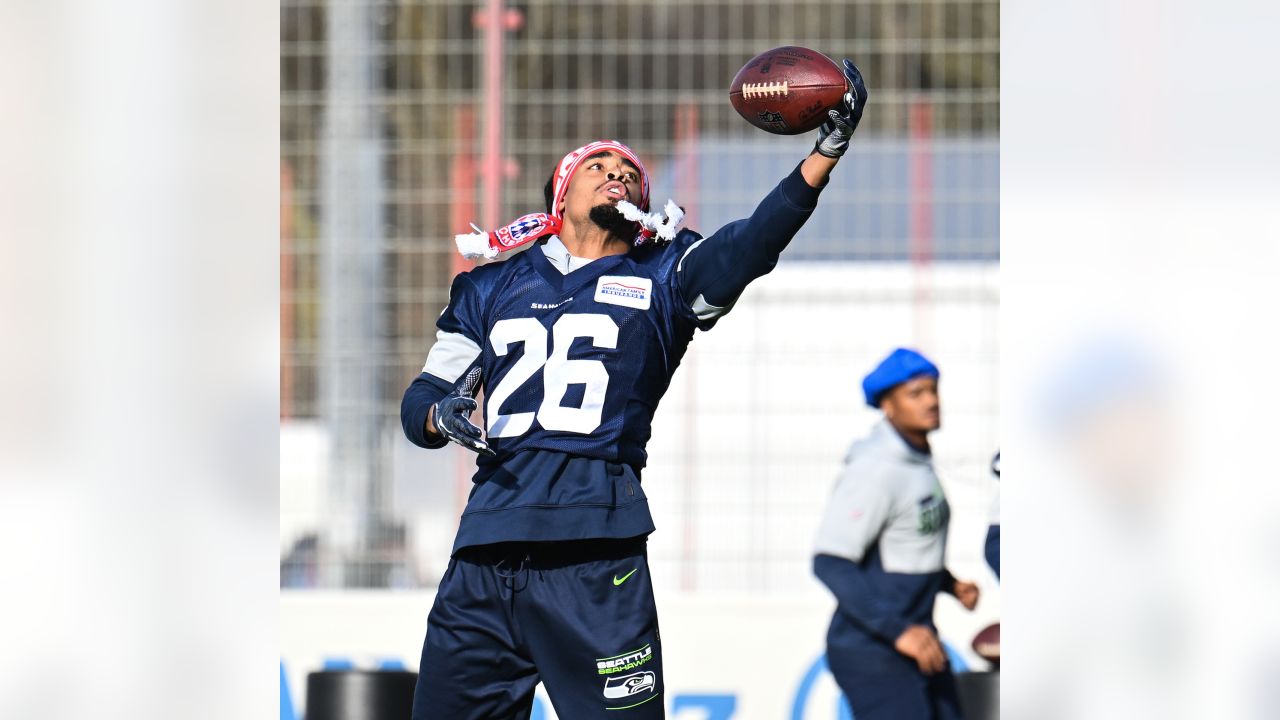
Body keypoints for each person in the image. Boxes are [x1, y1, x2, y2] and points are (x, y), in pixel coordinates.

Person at [400, 60, 868, 720]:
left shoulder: (665, 275)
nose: (618, 172)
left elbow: (751, 245)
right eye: (599, 165)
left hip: (597, 554)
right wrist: (441, 415)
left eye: (630, 172)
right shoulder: (489, 287)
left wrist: (825, 153)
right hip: (486, 551)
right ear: (559, 196)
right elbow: (421, 398)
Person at [812, 347, 980, 720]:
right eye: (916, 394)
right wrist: (899, 630)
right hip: (873, 649)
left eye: (933, 390)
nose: (931, 401)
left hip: (918, 640)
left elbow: (902, 546)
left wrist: (949, 585)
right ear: (888, 405)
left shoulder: (916, 460)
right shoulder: (875, 469)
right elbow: (830, 562)